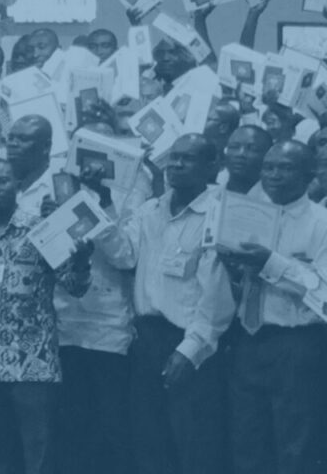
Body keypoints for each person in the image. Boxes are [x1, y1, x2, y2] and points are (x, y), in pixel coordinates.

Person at [94, 134, 235, 474]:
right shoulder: (151, 209)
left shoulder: (219, 214)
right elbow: (124, 255)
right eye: (173, 157)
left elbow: (215, 297)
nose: (176, 164)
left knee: (193, 446)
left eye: (188, 158)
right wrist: (102, 200)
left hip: (189, 341)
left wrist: (190, 350)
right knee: (149, 441)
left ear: (212, 166)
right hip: (147, 339)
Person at [0, 159, 92, 474]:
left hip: (33, 366)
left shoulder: (41, 231)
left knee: (39, 458)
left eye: (2, 181)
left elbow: (75, 286)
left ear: (17, 185)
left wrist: (81, 262)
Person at [216, 141, 327, 474]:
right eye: (268, 167)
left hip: (297, 344)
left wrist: (271, 262)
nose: (274, 175)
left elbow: (323, 292)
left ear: (310, 174)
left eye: (285, 168)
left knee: (296, 443)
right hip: (249, 338)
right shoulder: (248, 214)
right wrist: (234, 271)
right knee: (247, 440)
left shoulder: (321, 223)